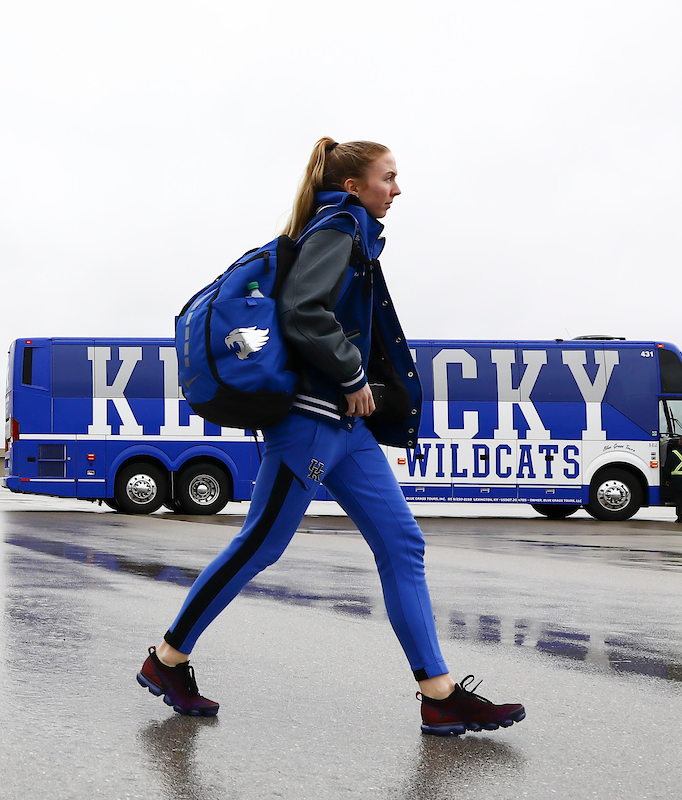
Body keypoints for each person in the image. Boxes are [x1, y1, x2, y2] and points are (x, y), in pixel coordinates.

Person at [137, 137, 525, 737]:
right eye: (388, 177)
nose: (397, 189)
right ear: (353, 186)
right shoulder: (338, 228)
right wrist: (351, 373)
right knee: (260, 545)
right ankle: (166, 659)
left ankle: (440, 695)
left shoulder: (356, 238)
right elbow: (302, 310)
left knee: (402, 543)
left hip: (349, 430)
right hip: (310, 425)